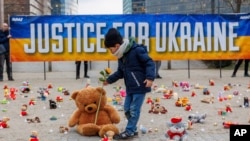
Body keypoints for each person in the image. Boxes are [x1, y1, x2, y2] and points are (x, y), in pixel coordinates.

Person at [103, 28, 155, 139]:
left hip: (140, 86)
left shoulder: (136, 50)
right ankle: (133, 128)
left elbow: (149, 62)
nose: (110, 51)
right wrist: (109, 79)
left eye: (110, 48)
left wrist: (150, 78)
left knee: (134, 109)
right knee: (126, 108)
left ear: (117, 46)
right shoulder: (121, 56)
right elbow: (120, 72)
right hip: (130, 87)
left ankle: (130, 131)